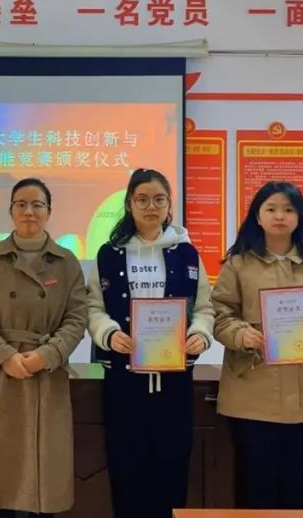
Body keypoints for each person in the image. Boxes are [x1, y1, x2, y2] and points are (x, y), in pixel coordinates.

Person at [86, 168, 214, 518]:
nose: (151, 206)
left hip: (174, 382)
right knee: (126, 470)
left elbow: (205, 308)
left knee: (172, 470)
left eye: (159, 199)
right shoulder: (109, 254)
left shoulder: (187, 253)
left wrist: (199, 334)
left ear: (170, 204)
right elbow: (92, 307)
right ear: (129, 204)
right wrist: (109, 333)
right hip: (124, 381)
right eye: (142, 199)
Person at [0, 178, 88, 518]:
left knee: (42, 480)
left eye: (37, 204)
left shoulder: (67, 262)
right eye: (21, 204)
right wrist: (3, 355)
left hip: (46, 375)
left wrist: (49, 354)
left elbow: (77, 317)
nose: (29, 211)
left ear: (49, 211)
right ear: (11, 211)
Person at [211, 181, 303, 509]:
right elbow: (220, 314)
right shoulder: (238, 264)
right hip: (252, 390)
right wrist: (240, 334)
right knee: (255, 483)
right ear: (257, 216)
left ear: (300, 217)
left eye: (288, 209)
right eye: (271, 209)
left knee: (296, 482)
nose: (280, 216)